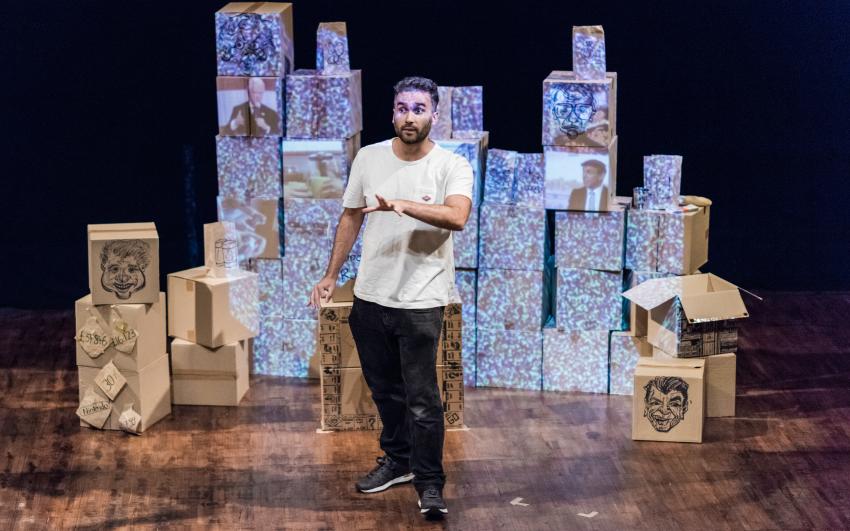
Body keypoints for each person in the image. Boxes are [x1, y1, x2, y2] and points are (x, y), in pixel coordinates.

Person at [309, 76, 473, 518]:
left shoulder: (451, 165)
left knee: (423, 399)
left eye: (419, 108)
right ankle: (398, 461)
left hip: (421, 303)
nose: (409, 116)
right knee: (384, 391)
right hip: (370, 299)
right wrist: (330, 276)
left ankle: (430, 482)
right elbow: (350, 217)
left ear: (434, 115)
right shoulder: (369, 157)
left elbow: (457, 216)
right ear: (392, 113)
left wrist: (403, 204)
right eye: (402, 108)